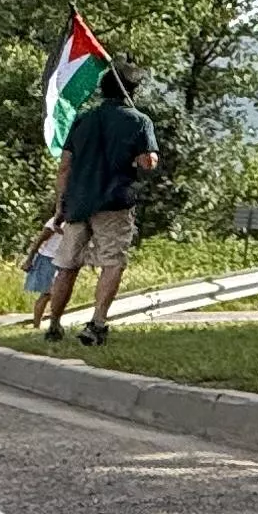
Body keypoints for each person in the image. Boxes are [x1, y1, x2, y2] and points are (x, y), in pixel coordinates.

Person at [38, 66, 161, 345]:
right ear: (132, 91)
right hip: (114, 203)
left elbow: (64, 167)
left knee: (67, 265)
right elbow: (148, 163)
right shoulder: (139, 121)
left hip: (78, 202)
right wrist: (143, 154)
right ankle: (97, 323)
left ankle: (54, 324)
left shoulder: (83, 120)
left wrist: (60, 206)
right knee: (112, 262)